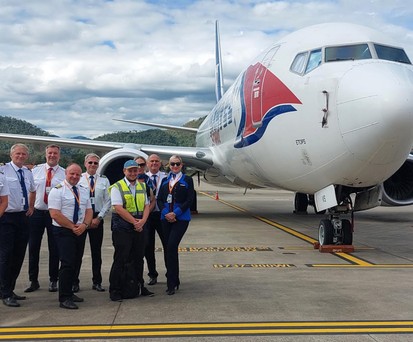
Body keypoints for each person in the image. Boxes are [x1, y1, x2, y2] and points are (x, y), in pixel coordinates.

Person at [48, 163, 93, 309]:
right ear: (66, 174)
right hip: (64, 231)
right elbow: (54, 214)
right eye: (72, 174)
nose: (74, 176)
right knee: (67, 263)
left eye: (78, 174)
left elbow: (89, 210)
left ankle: (70, 290)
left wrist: (84, 225)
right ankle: (64, 297)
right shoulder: (57, 190)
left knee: (76, 261)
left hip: (80, 230)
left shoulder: (83, 190)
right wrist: (73, 227)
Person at [108, 160, 153, 302]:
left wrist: (143, 222)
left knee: (139, 258)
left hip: (139, 225)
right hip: (123, 227)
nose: (133, 173)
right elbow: (119, 208)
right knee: (121, 258)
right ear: (124, 171)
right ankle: (115, 289)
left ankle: (139, 285)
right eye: (130, 171)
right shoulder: (117, 187)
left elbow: (147, 205)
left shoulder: (142, 186)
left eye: (135, 170)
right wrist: (135, 222)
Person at [25, 144, 65, 293]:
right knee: (33, 247)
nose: (52, 155)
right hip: (36, 213)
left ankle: (53, 279)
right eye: (50, 153)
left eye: (55, 153)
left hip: (54, 214)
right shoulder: (35, 171)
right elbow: (29, 190)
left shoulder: (64, 173)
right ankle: (33, 280)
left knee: (54, 248)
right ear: (45, 154)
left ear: (59, 156)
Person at [0, 143, 36, 307]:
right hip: (7, 218)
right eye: (18, 154)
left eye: (23, 154)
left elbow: (33, 190)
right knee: (6, 256)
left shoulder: (28, 173)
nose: (21, 156)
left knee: (19, 255)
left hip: (23, 217)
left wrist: (31, 206)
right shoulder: (3, 170)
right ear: (11, 155)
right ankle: (5, 292)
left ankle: (10, 288)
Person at [157, 155, 194, 295]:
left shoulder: (187, 180)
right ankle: (173, 279)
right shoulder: (166, 180)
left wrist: (176, 213)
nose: (175, 166)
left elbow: (190, 199)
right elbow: (160, 199)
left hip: (181, 218)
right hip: (165, 217)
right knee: (168, 249)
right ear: (169, 165)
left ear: (181, 165)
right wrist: (166, 212)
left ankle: (171, 282)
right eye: (172, 164)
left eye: (177, 164)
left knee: (172, 246)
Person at [75, 153, 111, 293]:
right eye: (90, 162)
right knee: (78, 252)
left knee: (96, 253)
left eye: (95, 163)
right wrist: (84, 220)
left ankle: (97, 281)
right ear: (85, 163)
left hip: (97, 218)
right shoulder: (78, 179)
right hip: (81, 219)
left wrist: (99, 217)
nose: (92, 165)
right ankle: (74, 282)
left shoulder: (103, 180)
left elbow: (108, 201)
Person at [144, 154, 167, 285]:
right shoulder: (142, 178)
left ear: (160, 163)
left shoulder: (166, 177)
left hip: (162, 215)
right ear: (147, 164)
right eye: (151, 161)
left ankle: (170, 273)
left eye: (156, 161)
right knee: (148, 246)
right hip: (148, 215)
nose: (154, 163)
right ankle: (152, 274)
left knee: (167, 244)